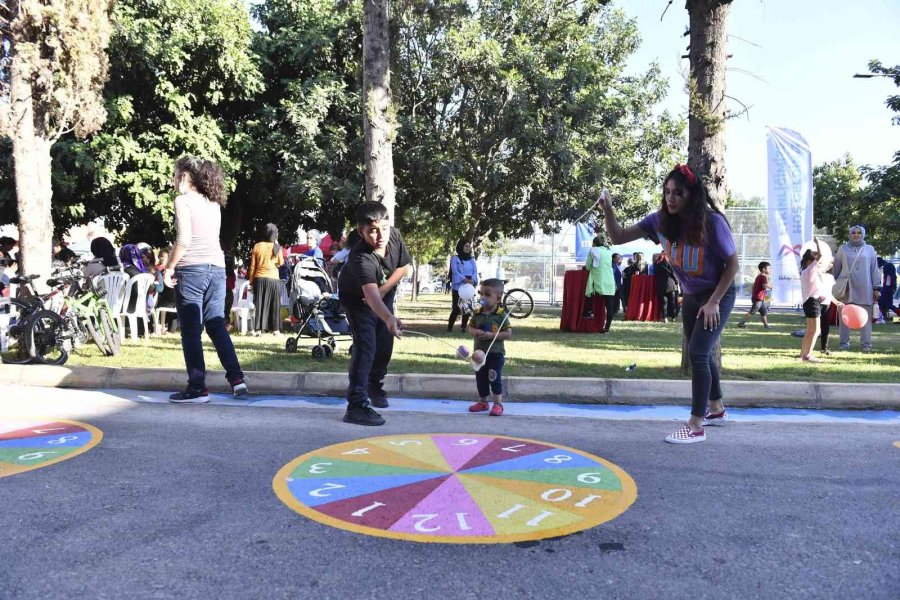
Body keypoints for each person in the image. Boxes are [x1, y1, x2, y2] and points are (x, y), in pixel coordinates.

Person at [600, 164, 739, 444]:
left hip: (718, 294)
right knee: (702, 351)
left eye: (678, 193)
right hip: (690, 294)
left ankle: (696, 425)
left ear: (692, 195)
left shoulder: (712, 223)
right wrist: (608, 208)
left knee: (698, 353)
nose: (670, 198)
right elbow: (617, 237)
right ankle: (717, 408)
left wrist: (713, 302)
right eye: (666, 192)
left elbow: (732, 265)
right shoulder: (659, 221)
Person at [162, 156, 248, 402]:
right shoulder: (213, 203)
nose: (173, 179)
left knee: (190, 331)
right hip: (216, 269)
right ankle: (237, 379)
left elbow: (183, 241)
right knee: (216, 324)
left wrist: (169, 267)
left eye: (176, 174)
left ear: (186, 177)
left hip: (192, 270)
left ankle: (197, 387)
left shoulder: (183, 201)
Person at [337, 201, 410, 426]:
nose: (380, 236)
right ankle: (356, 406)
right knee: (366, 345)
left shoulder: (394, 236)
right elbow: (369, 297)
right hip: (356, 299)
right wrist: (388, 317)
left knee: (384, 344)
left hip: (381, 293)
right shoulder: (361, 257)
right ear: (361, 231)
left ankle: (374, 385)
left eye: (384, 228)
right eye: (372, 231)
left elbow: (404, 267)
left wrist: (384, 291)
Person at [467, 279, 513, 417]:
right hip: (479, 354)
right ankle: (483, 402)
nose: (482, 297)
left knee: (494, 378)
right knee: (480, 378)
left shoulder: (501, 315)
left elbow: (508, 333)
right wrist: (475, 332)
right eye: (481, 294)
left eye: (487, 295)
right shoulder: (477, 313)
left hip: (495, 353)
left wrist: (492, 335)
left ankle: (498, 403)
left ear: (498, 298)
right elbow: (470, 327)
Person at [833, 225, 880, 352]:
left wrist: (876, 287)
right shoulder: (842, 249)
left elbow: (874, 269)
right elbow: (836, 269)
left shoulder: (869, 249)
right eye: (853, 232)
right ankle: (843, 344)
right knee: (844, 318)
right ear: (850, 234)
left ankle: (866, 345)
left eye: (859, 232)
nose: (856, 234)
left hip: (865, 288)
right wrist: (834, 285)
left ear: (863, 234)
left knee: (866, 317)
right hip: (847, 288)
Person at [248, 223, 285, 335]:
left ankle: (258, 330)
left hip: (260, 277)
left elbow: (253, 266)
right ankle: (276, 330)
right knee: (274, 304)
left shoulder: (257, 246)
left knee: (259, 304)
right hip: (273, 278)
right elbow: (281, 262)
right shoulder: (277, 247)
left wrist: (251, 282)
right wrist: (276, 245)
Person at [798, 242, 828, 363]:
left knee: (809, 330)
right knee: (816, 330)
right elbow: (820, 255)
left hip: (808, 302)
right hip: (812, 302)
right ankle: (808, 355)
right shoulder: (810, 269)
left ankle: (802, 354)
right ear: (810, 261)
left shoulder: (804, 271)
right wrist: (817, 243)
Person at [583, 234, 616, 332]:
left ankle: (597, 325)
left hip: (598, 281)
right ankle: (607, 327)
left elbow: (588, 267)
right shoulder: (609, 251)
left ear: (594, 243)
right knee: (609, 306)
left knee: (598, 305)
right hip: (610, 281)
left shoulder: (593, 250)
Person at [447, 239, 478, 333]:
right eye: (466, 246)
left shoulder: (472, 259)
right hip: (458, 286)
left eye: (469, 246)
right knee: (456, 308)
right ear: (461, 247)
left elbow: (474, 271)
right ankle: (450, 328)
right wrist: (464, 279)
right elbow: (455, 272)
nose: (468, 248)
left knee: (467, 308)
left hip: (469, 287)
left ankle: (463, 327)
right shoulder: (455, 259)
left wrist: (472, 280)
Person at [737, 262, 773, 329]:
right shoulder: (763, 277)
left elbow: (754, 286)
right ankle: (741, 323)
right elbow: (764, 286)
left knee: (763, 312)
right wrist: (771, 287)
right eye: (769, 268)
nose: (770, 270)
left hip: (758, 298)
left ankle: (766, 325)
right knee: (752, 312)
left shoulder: (759, 276)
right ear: (763, 269)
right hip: (758, 299)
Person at [654, 252, 678, 323]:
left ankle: (665, 318)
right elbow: (673, 274)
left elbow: (656, 274)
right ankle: (673, 317)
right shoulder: (669, 264)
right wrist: (677, 282)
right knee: (673, 302)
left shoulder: (657, 264)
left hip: (661, 285)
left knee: (664, 302)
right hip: (671, 285)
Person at [876, 257, 896, 324]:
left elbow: (891, 277)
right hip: (888, 287)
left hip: (887, 287)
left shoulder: (887, 266)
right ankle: (884, 316)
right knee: (886, 303)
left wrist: (892, 287)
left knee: (884, 303)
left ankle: (882, 316)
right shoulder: (888, 265)